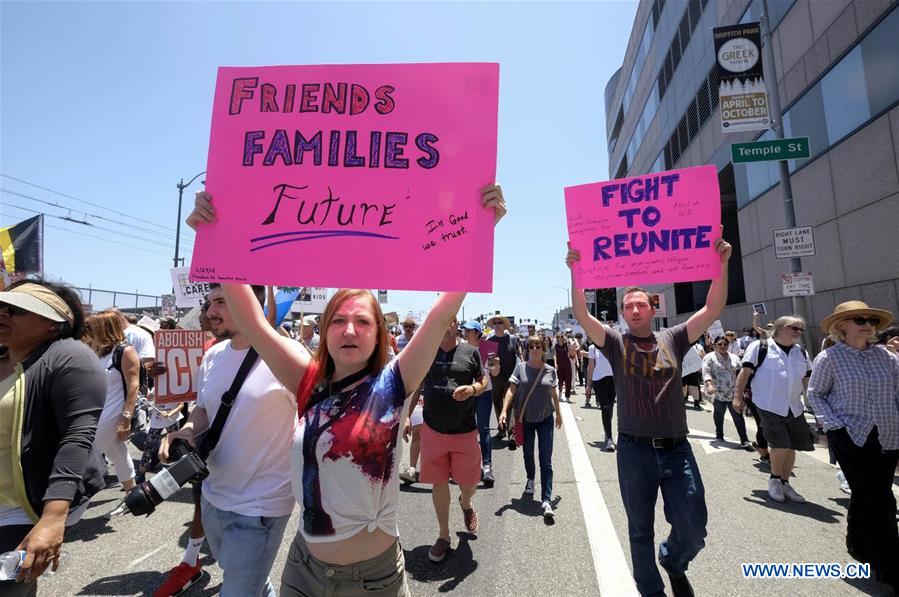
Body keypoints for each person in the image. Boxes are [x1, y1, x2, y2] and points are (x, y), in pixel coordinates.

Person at [187, 185, 506, 595]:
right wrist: (213, 237)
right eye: (338, 321)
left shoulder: (394, 385)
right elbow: (251, 322)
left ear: (379, 338)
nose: (349, 330)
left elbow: (443, 310)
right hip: (304, 572)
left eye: (362, 322)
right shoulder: (309, 381)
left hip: (375, 581)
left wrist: (483, 230)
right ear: (324, 332)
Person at [566, 230, 732, 597]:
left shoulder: (673, 337)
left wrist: (721, 265)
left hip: (677, 449)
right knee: (639, 529)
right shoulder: (613, 342)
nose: (636, 311)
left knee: (693, 526)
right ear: (623, 314)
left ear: (653, 308)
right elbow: (581, 313)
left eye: (641, 305)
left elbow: (712, 310)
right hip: (634, 450)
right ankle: (651, 591)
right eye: (629, 307)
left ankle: (673, 560)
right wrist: (576, 270)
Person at [159, 284, 296, 597]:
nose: (210, 313)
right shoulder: (213, 355)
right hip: (212, 499)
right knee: (251, 583)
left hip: (261, 507)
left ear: (252, 302)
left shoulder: (289, 356)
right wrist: (188, 430)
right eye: (209, 303)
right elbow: (204, 407)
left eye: (222, 301)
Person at [0, 280, 106, 595]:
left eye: (16, 310)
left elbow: (77, 437)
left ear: (52, 324)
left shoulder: (70, 357)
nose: (3, 313)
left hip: (30, 502)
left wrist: (52, 518)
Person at [807, 301, 899, 592]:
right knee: (882, 500)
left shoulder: (887, 358)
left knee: (869, 493)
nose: (867, 323)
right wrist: (834, 425)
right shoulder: (830, 358)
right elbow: (815, 394)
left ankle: (858, 545)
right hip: (850, 436)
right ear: (842, 326)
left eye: (871, 319)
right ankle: (891, 569)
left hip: (888, 434)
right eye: (858, 319)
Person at [404, 318, 486, 562]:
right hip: (434, 429)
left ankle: (466, 502)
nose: (443, 325)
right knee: (438, 482)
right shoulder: (427, 352)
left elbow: (483, 382)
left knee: (470, 481)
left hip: (464, 430)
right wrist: (407, 416)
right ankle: (443, 536)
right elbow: (417, 386)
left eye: (448, 320)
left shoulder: (470, 352)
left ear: (455, 324)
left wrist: (471, 390)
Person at [733, 316, 813, 503]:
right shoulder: (760, 347)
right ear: (779, 328)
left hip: (795, 407)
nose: (798, 332)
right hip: (768, 405)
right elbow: (744, 374)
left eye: (800, 329)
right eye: (794, 327)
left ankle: (785, 482)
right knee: (781, 444)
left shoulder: (801, 353)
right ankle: (775, 480)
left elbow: (808, 381)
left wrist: (816, 404)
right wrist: (737, 397)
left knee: (792, 445)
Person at [81, 312, 140, 508]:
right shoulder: (100, 351)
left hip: (114, 412)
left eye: (93, 327)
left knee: (87, 452)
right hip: (98, 411)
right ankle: (133, 495)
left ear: (104, 328)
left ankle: (71, 501)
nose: (88, 331)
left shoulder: (125, 351)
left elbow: (133, 385)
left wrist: (126, 418)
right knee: (117, 453)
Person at [499, 336, 561, 519]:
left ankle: (547, 500)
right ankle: (531, 479)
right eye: (531, 346)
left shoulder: (550, 370)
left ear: (543, 349)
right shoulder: (520, 368)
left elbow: (554, 394)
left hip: (545, 418)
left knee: (546, 459)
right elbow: (511, 390)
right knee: (527, 453)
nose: (535, 348)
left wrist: (559, 414)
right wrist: (504, 411)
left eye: (538, 346)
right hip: (525, 419)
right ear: (527, 349)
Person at [460, 320, 500, 486]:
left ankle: (487, 466)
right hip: (466, 393)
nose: (465, 333)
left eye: (468, 330)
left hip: (484, 393)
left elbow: (495, 373)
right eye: (464, 330)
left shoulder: (487, 348)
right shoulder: (461, 349)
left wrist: (496, 366)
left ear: (477, 333)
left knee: (483, 429)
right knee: (465, 431)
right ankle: (467, 467)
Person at [701, 335, 751, 449]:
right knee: (719, 414)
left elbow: (741, 373)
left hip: (733, 392)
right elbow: (706, 372)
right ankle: (719, 434)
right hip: (718, 392)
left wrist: (743, 389)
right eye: (720, 344)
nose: (723, 346)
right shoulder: (709, 357)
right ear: (714, 345)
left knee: (738, 415)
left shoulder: (734, 357)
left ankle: (744, 439)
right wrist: (709, 385)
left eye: (725, 344)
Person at [486, 313, 520, 439]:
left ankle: (511, 433)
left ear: (504, 325)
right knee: (497, 402)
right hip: (495, 377)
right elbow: (488, 364)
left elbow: (516, 356)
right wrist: (494, 365)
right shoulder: (489, 341)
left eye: (499, 322)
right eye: (495, 323)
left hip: (510, 377)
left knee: (509, 403)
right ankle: (501, 429)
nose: (497, 325)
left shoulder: (512, 339)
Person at [587, 342, 616, 451]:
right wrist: (589, 385)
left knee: (611, 407)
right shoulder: (592, 348)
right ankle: (609, 439)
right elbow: (591, 367)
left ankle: (607, 430)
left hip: (613, 379)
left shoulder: (613, 345)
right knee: (605, 407)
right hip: (598, 380)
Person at [554, 332, 573, 401]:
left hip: (567, 364)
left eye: (561, 337)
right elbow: (555, 355)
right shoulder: (556, 346)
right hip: (560, 365)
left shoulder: (566, 345)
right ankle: (560, 393)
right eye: (558, 337)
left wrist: (567, 341)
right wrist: (555, 363)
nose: (560, 338)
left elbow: (570, 352)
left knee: (568, 381)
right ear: (557, 338)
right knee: (560, 381)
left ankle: (567, 397)